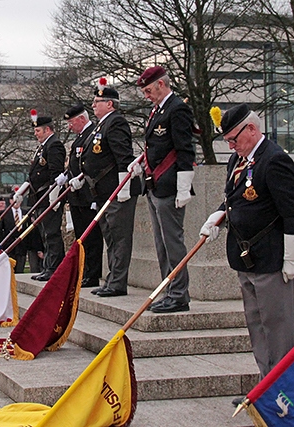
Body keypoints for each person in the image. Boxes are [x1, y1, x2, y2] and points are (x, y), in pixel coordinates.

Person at [200, 104, 294, 401]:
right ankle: (266, 386)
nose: (230, 144)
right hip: (245, 257)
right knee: (257, 327)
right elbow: (236, 201)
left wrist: (292, 258)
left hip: (271, 259)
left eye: (234, 138)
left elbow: (293, 213)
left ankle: (284, 391)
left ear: (252, 129)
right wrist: (218, 216)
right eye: (227, 140)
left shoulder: (274, 160)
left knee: (277, 328)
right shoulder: (238, 161)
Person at [131, 66, 196, 313]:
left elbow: (184, 149)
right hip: (154, 185)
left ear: (161, 84)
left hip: (169, 185)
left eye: (148, 90)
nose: (146, 95)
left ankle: (179, 294)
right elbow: (157, 146)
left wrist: (183, 187)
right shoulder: (157, 110)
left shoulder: (177, 108)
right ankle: (168, 290)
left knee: (173, 243)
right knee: (161, 245)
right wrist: (141, 162)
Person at [70, 83, 140, 297]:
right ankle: (112, 279)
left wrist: (123, 187)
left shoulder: (116, 122)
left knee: (119, 237)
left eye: (97, 102)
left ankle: (118, 282)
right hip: (101, 191)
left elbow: (123, 156)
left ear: (109, 104)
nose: (93, 105)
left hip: (116, 189)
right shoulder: (101, 125)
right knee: (109, 236)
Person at [15, 113, 65, 281]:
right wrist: (21, 191)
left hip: (47, 195)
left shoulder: (54, 145)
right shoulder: (42, 147)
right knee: (44, 233)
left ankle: (54, 267)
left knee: (51, 233)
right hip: (39, 197)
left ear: (47, 129)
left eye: (38, 130)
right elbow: (34, 174)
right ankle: (48, 267)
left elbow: (56, 173)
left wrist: (54, 196)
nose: (35, 133)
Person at [58, 104, 103, 288]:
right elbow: (75, 164)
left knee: (91, 238)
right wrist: (67, 175)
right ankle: (84, 272)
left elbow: (93, 163)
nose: (69, 126)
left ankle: (92, 274)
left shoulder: (93, 134)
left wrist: (81, 178)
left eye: (71, 122)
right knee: (81, 238)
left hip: (88, 195)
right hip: (76, 196)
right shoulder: (79, 138)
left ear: (82, 119)